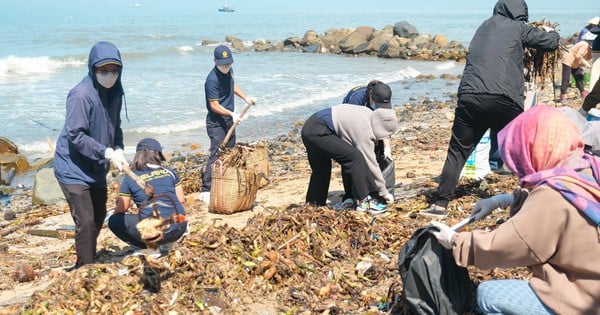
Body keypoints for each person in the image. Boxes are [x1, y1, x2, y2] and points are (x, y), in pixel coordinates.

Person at [430, 106, 600, 314]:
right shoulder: (588, 168)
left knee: (489, 295)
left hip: (584, 298)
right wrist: (503, 200)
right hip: (592, 281)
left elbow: (510, 243)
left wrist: (456, 241)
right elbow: (561, 212)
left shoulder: (551, 196)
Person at [421, 0, 560, 218]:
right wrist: (551, 32)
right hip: (504, 99)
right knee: (522, 150)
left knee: (457, 152)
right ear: (520, 14)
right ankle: (534, 199)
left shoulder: (483, 26)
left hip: (470, 97)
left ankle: (439, 205)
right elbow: (550, 43)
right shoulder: (518, 27)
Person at [54, 41, 129, 269]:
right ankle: (84, 270)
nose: (109, 75)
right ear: (92, 69)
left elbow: (115, 127)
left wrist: (118, 148)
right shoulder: (80, 95)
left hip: (96, 167)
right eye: (103, 71)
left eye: (114, 70)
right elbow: (76, 135)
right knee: (85, 221)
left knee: (97, 217)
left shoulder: (115, 93)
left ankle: (87, 258)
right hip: (73, 168)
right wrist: (105, 152)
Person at [301, 106, 398, 214]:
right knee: (354, 158)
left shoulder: (369, 114)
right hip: (319, 130)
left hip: (310, 126)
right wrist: (384, 192)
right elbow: (371, 164)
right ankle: (364, 201)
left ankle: (313, 207)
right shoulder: (364, 132)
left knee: (321, 171)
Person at [108, 138, 187, 257]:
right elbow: (181, 200)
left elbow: (122, 208)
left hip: (156, 232)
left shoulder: (131, 177)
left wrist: (112, 212)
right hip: (179, 227)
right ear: (158, 154)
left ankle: (149, 248)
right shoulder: (169, 172)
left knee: (114, 221)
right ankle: (168, 243)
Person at [198, 45, 256, 204]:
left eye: (229, 63)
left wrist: (245, 98)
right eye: (223, 64)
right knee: (216, 153)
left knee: (230, 150)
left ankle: (225, 181)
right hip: (216, 121)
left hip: (229, 119)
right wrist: (232, 113)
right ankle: (206, 189)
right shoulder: (211, 80)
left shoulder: (229, 71)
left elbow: (232, 84)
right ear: (215, 61)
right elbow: (214, 105)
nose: (226, 66)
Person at [337, 81, 394, 209]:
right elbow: (352, 127)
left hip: (366, 121)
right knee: (353, 156)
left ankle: (375, 190)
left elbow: (384, 125)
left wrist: (387, 148)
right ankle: (349, 196)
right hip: (348, 126)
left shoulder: (384, 97)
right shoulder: (356, 99)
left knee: (378, 153)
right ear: (371, 97)